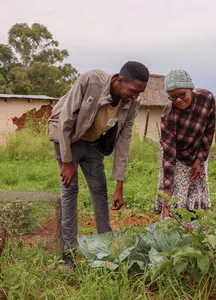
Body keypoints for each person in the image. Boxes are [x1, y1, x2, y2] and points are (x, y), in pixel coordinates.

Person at [48, 61, 149, 268]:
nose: (135, 96)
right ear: (120, 80)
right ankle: (69, 254)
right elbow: (66, 118)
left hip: (93, 144)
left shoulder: (132, 104)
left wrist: (119, 186)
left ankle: (108, 249)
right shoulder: (91, 80)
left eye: (139, 93)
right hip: (67, 137)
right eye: (133, 91)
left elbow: (124, 141)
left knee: (100, 191)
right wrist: (67, 162)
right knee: (70, 191)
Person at [154, 70, 216, 218]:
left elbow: (209, 131)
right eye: (173, 97)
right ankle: (173, 225)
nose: (178, 100)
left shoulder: (207, 99)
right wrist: (167, 192)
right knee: (176, 191)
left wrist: (199, 159)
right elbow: (168, 156)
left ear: (190, 89)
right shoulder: (169, 114)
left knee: (197, 186)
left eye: (182, 94)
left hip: (198, 150)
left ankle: (196, 224)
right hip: (176, 155)